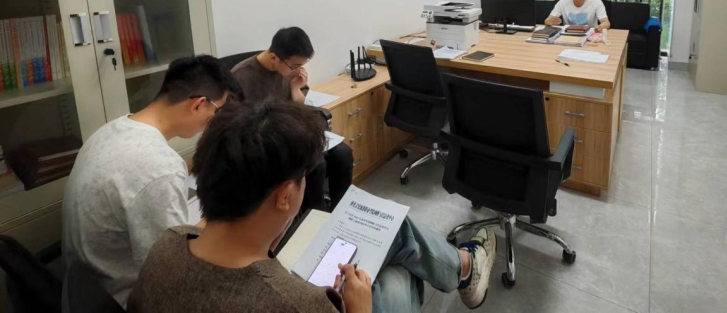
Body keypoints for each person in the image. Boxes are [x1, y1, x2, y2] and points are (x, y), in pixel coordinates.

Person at [128, 99, 496, 313]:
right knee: (401, 273)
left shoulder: (166, 247)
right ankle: (464, 267)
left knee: (397, 240)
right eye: (306, 177)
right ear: (285, 196)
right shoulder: (302, 305)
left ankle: (463, 267)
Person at [62, 55, 242, 307]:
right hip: (123, 300)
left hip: (85, 289)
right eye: (216, 110)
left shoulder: (113, 129)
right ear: (198, 104)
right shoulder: (159, 167)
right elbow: (175, 271)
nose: (213, 120)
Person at [231, 27, 353, 212]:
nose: (297, 70)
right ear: (274, 58)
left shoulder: (288, 70)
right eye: (295, 66)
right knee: (316, 164)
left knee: (343, 154)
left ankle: (340, 212)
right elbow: (240, 128)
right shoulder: (242, 78)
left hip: (292, 134)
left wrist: (296, 89)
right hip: (266, 143)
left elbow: (302, 107)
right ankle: (313, 216)